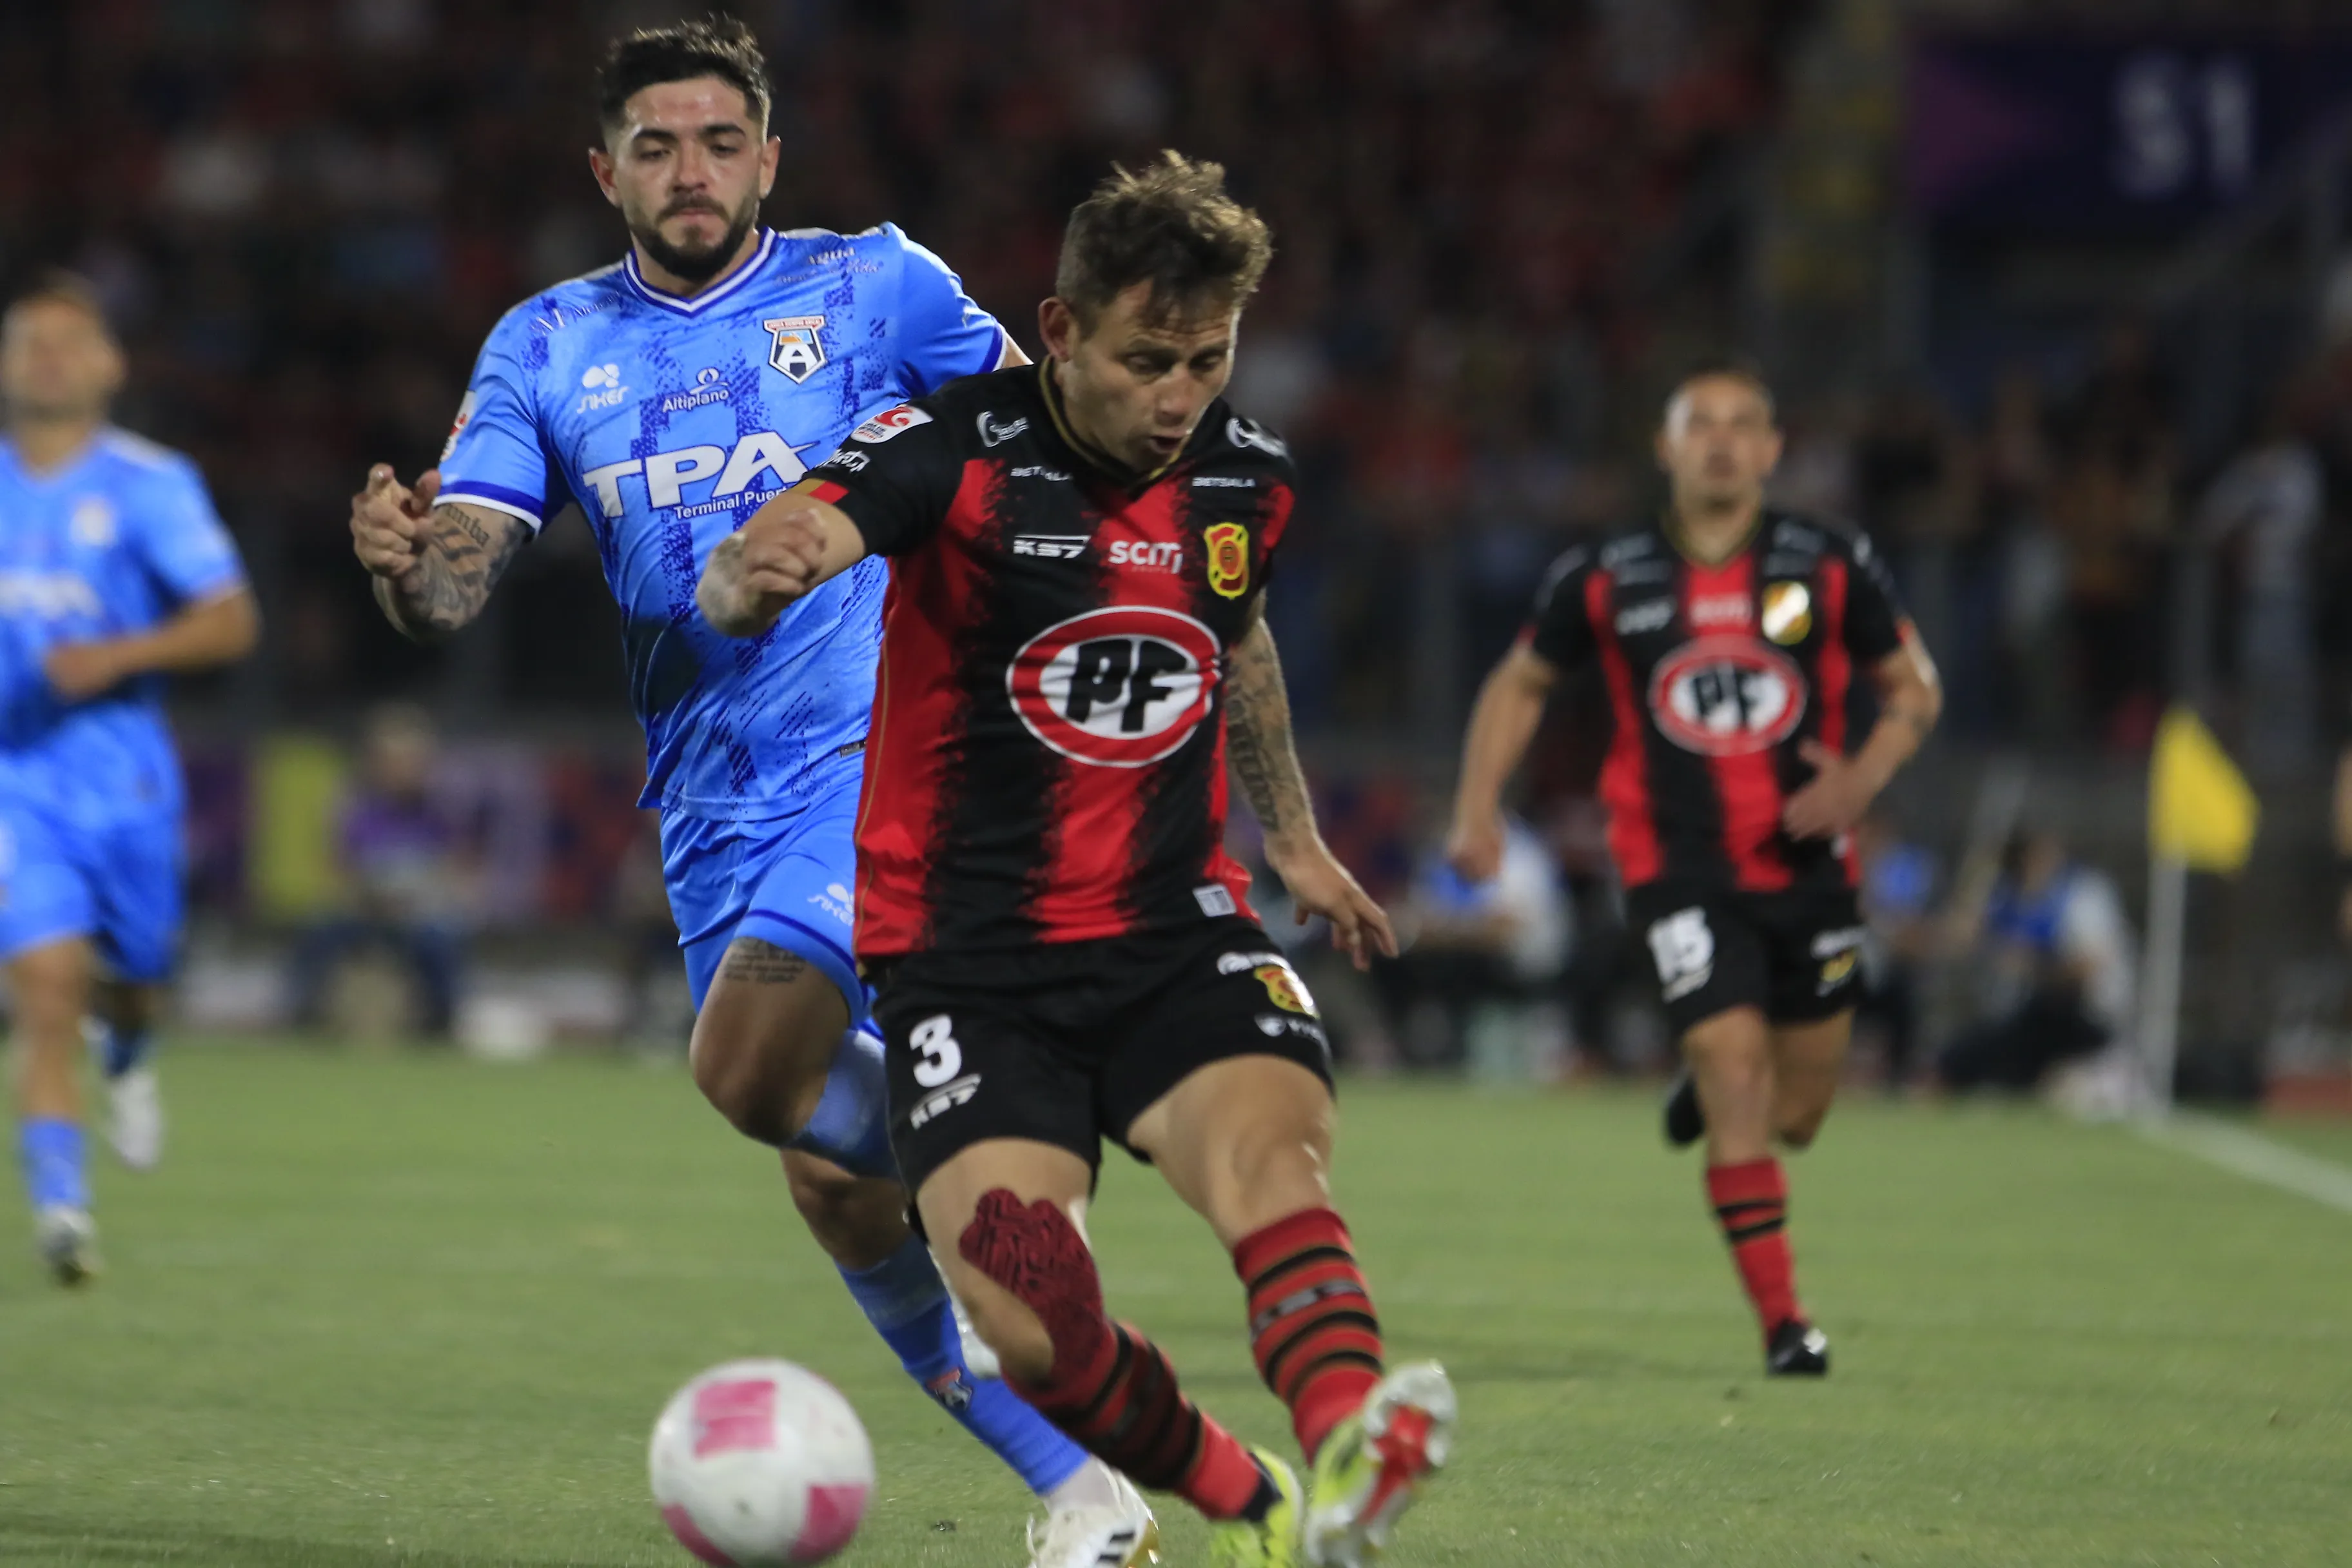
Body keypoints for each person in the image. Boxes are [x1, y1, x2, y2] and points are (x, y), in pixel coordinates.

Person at [341, 20, 1142, 1564]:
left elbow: (1053, 438)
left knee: (745, 1063)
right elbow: (457, 585)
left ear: (769, 156)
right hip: (714, 799)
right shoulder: (545, 343)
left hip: (898, 739)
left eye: (719, 141)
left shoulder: (875, 285)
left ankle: (1010, 1143)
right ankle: (1087, 1486)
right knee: (822, 1173)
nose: (689, 169)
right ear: (605, 171)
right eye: (655, 145)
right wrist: (403, 566)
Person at [698, 153, 1455, 1568]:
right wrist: (756, 571)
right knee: (1032, 1319)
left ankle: (1354, 1444)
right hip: (969, 969)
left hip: (1175, 932)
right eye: (1147, 359)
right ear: (1059, 331)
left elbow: (1231, 633)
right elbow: (806, 524)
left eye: (1210, 359)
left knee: (1272, 1167)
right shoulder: (953, 448)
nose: (1181, 398)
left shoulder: (1245, 476)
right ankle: (1263, 1507)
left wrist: (1288, 833)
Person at [1447, 360, 1942, 1376]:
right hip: (1676, 868)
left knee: (1796, 1116)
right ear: (1666, 448)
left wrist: (1863, 780)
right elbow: (1522, 679)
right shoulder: (1607, 572)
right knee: (1735, 1069)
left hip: (1810, 869)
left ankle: (1707, 1088)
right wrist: (1475, 809)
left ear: (1771, 450)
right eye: (1699, 425)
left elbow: (1914, 688)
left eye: (1741, 425)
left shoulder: (1829, 560)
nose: (1720, 442)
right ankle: (1784, 1326)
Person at [0, 271, 260, 1281]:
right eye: (30, 341)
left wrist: (112, 658)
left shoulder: (151, 485)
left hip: (127, 784)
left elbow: (232, 622)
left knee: (136, 975)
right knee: (47, 987)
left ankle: (134, 1053)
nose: (50, 357)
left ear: (109, 366)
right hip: (19, 781)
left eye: (71, 342)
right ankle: (63, 1212)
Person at [287, 705, 472, 1038]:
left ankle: (442, 1022)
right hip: (366, 911)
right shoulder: (357, 810)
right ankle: (302, 1013)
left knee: (440, 940)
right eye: (394, 761)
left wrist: (427, 898)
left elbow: (458, 873)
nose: (403, 770)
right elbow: (337, 870)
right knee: (321, 930)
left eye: (412, 762)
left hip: (419, 914)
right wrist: (365, 898)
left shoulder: (440, 811)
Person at [1937, 828, 2135, 1096]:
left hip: (2084, 1012)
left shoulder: (2082, 894)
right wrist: (1978, 886)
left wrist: (2033, 966)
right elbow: (1958, 937)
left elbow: (2090, 966)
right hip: (2027, 1015)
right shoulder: (2010, 896)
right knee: (1961, 1056)